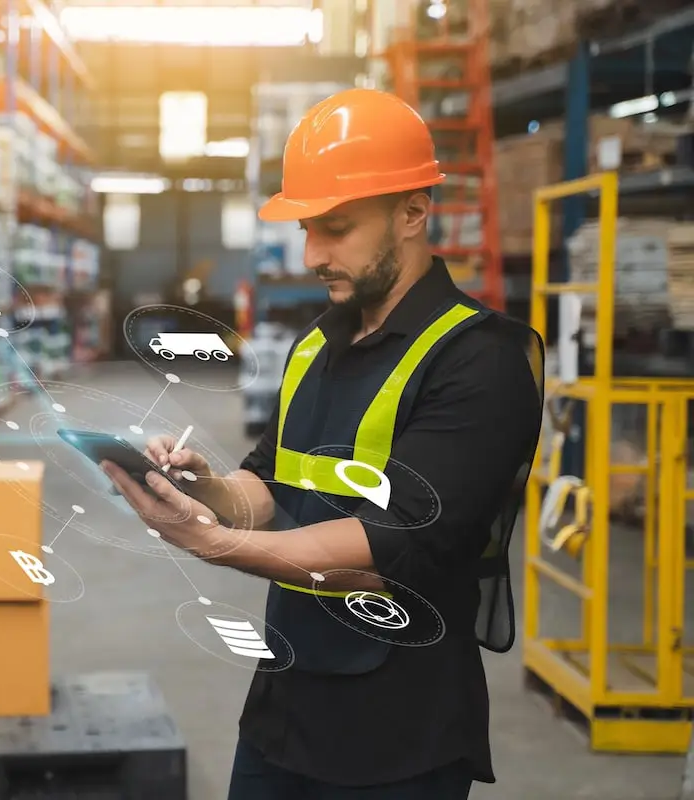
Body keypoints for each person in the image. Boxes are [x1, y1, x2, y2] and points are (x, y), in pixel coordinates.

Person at [101, 88, 545, 799]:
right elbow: (270, 487)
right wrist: (202, 490)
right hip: (285, 705)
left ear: (412, 212)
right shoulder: (316, 346)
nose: (312, 254)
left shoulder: (481, 364)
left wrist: (208, 543)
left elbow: (388, 556)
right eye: (308, 228)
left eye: (335, 228)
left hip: (399, 738)